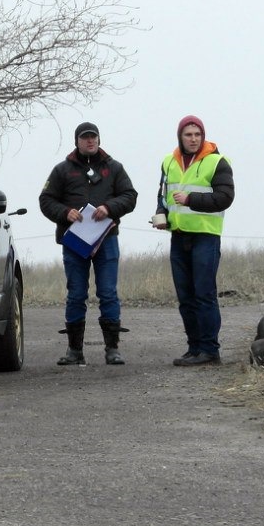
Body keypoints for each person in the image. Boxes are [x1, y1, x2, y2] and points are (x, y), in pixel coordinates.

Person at [39, 122, 138, 366]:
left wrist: (109, 208)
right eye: (85, 138)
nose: (90, 141)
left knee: (107, 293)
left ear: (99, 139)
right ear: (77, 141)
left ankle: (112, 349)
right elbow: (46, 200)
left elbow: (130, 196)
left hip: (107, 240)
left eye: (93, 137)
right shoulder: (62, 170)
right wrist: (65, 213)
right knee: (75, 294)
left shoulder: (114, 168)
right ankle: (74, 351)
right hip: (75, 242)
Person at [153, 115, 235, 366]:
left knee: (204, 294)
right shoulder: (168, 161)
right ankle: (194, 347)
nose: (193, 139)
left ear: (203, 136)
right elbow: (163, 194)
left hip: (205, 236)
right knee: (185, 296)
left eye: (197, 134)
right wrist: (161, 214)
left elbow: (225, 198)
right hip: (178, 236)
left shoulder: (217, 162)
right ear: (180, 136)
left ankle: (210, 350)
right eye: (188, 134)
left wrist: (190, 200)